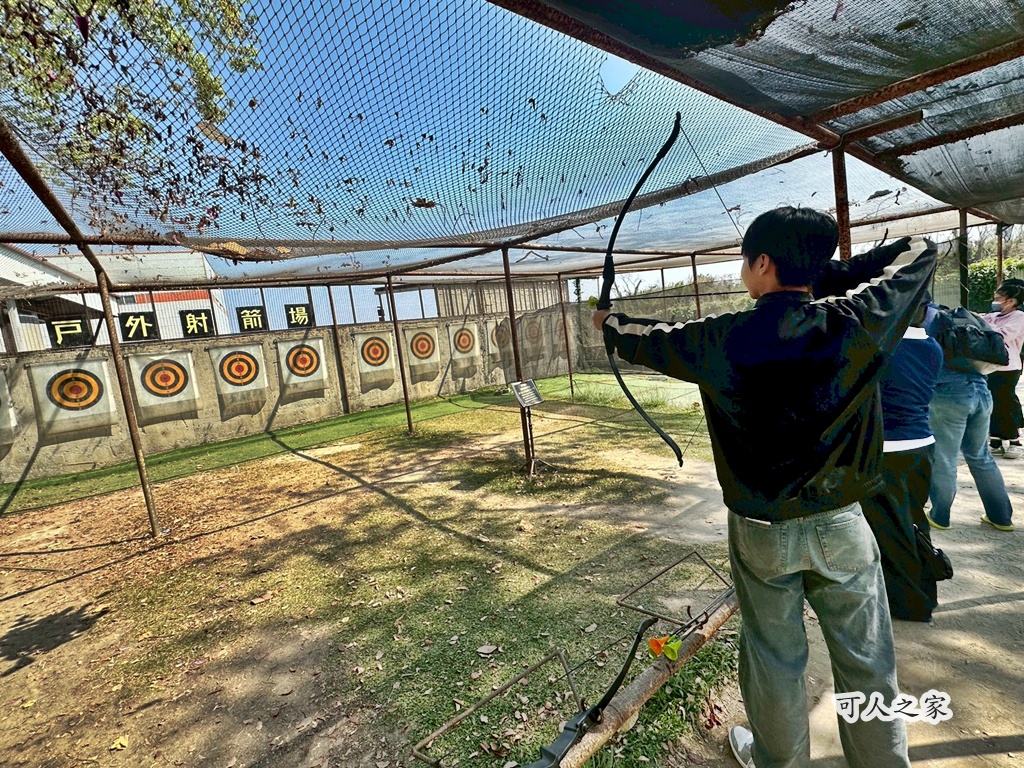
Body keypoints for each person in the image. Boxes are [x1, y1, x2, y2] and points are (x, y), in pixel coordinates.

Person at [593, 207, 936, 768]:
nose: (742, 269)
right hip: (843, 523)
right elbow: (920, 247)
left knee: (775, 658)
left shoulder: (721, 337)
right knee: (868, 660)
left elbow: (641, 336)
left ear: (763, 265)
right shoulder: (856, 320)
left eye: (747, 259)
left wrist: (606, 320)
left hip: (761, 531)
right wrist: (822, 274)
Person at [859, 298, 944, 622]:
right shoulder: (933, 348)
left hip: (888, 450)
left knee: (890, 529)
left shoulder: (883, 348)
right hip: (922, 446)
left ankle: (909, 604)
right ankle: (926, 592)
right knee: (914, 520)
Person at [924, 301, 1015, 532]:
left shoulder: (925, 318)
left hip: (948, 393)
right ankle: (1001, 517)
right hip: (981, 390)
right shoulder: (967, 316)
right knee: (980, 456)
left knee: (944, 457)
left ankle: (940, 516)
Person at [983, 279, 1024, 459]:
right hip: (989, 365)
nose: (995, 302)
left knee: (1004, 402)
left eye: (999, 298)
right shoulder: (993, 317)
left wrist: (986, 324)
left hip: (1008, 367)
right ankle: (995, 440)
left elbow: (1004, 336)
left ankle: (1014, 439)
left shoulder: (1019, 318)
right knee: (991, 402)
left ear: (1011, 301)